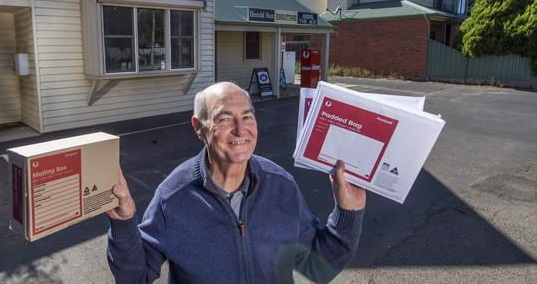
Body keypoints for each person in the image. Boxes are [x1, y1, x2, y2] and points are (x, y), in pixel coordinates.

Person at [106, 82, 366, 283]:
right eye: (224, 119)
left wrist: (347, 214)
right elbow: (134, 277)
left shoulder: (281, 186)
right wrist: (123, 224)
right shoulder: (173, 197)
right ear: (199, 128)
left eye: (248, 117)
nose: (241, 130)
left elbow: (318, 266)